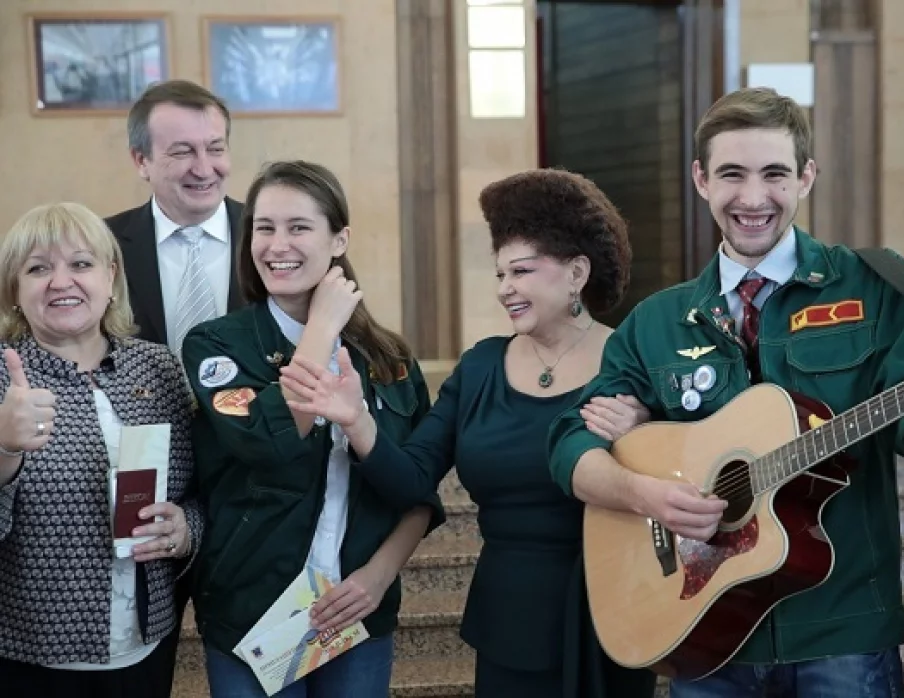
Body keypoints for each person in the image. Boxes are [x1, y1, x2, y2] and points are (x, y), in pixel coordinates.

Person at [546, 87, 904, 698]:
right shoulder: (658, 321)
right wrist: (644, 492)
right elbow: (569, 447)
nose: (753, 198)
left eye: (775, 174)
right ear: (701, 179)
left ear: (806, 176)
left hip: (841, 629)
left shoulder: (874, 287)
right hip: (702, 630)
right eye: (732, 174)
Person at [276, 168, 658, 697]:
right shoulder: (481, 368)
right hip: (509, 619)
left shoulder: (634, 360)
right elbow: (412, 479)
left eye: (521, 271)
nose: (506, 289)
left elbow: (683, 475)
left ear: (576, 272)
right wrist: (356, 420)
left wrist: (646, 432)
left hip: (614, 608)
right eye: (500, 275)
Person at [181, 160, 444, 698]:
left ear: (338, 238)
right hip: (253, 609)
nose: (278, 244)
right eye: (264, 227)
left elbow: (419, 491)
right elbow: (267, 443)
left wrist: (378, 577)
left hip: (356, 608)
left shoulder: (389, 358)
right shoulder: (216, 345)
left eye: (299, 227)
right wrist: (323, 325)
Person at [0, 202, 200, 696]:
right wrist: (4, 447)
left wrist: (186, 528)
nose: (61, 281)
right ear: (15, 291)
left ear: (111, 278)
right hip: (28, 654)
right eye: (39, 268)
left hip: (145, 645)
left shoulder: (160, 369)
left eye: (81, 263)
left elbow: (199, 491)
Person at [105, 79, 245, 353]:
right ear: (141, 161)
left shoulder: (272, 238)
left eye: (215, 149)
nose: (204, 169)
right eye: (183, 152)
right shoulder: (102, 244)